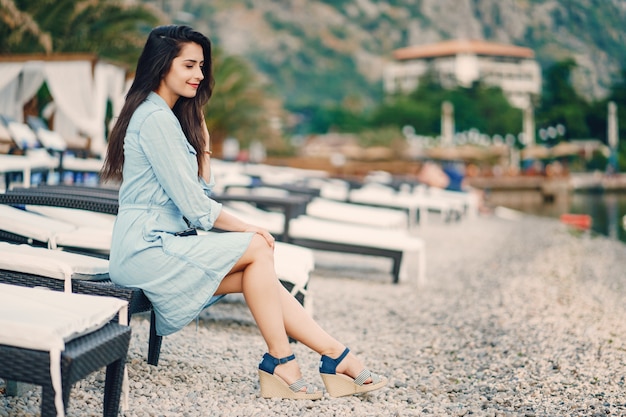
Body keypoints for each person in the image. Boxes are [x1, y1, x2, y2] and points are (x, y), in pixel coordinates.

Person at [100, 25, 387, 400]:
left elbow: (199, 191)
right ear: (161, 66)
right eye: (189, 65)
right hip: (145, 252)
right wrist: (251, 228)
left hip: (162, 247)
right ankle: (287, 361)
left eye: (201, 66)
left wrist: (202, 147)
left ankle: (333, 355)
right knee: (256, 247)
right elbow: (196, 207)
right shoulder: (154, 119)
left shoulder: (168, 118)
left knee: (258, 273)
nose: (199, 75)